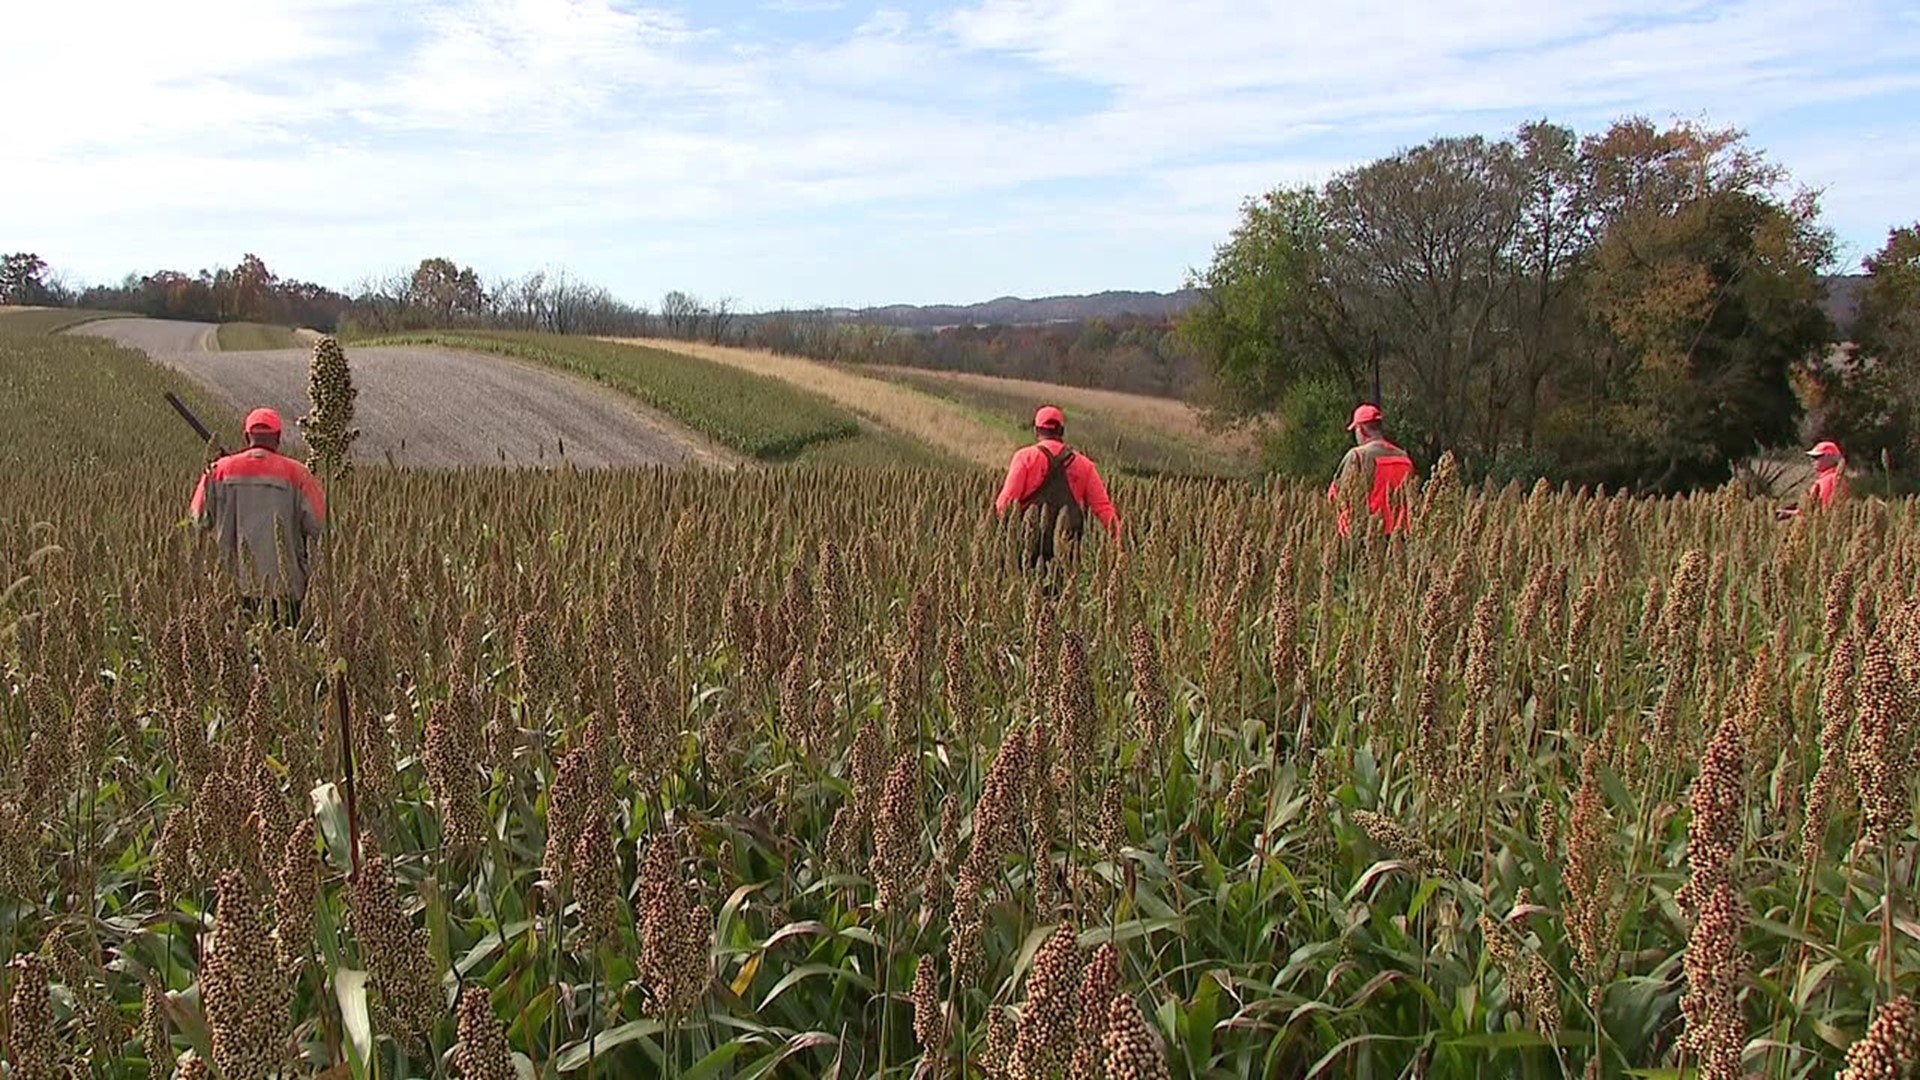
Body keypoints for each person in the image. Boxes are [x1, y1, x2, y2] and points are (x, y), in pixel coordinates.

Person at [189, 407, 326, 625]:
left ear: (246, 436)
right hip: (284, 586)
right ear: (278, 439)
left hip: (232, 585)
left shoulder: (218, 471)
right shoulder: (299, 474)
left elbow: (198, 519)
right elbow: (320, 526)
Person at [994, 405, 1120, 569]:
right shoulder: (1085, 465)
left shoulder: (1025, 457)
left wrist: (1002, 537)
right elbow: (1103, 509)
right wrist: (1120, 542)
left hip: (1027, 547)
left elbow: (1005, 503)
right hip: (1067, 549)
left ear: (1036, 430)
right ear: (1062, 431)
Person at [1328, 403, 1414, 537]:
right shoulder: (1404, 457)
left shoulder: (1358, 456)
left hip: (1369, 534)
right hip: (1402, 534)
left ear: (1361, 430)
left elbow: (1337, 495)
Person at [1778, 439, 1847, 519]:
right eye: (1811, 457)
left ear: (1829, 456)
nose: (1812, 460)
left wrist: (1790, 514)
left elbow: (1823, 511)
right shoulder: (1829, 477)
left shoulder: (1830, 479)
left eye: (1816, 457)